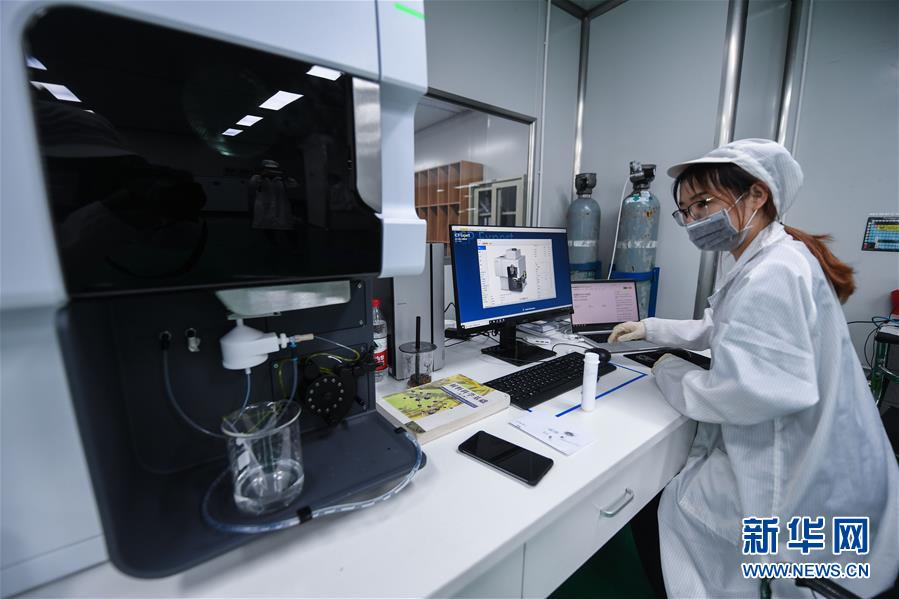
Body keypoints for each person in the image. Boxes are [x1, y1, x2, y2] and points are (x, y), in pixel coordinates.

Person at [610, 139, 899, 598]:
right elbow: (723, 325)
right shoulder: (773, 256)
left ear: (757, 195)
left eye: (703, 203)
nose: (694, 220)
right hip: (837, 459)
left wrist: (667, 370)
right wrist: (652, 328)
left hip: (792, 473)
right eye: (686, 211)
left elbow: (743, 394)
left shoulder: (773, 273)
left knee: (673, 505)